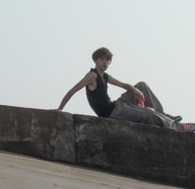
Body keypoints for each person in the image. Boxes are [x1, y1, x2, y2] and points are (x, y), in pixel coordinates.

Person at [57, 48, 185, 129]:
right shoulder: (92, 76)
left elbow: (123, 85)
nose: (105, 62)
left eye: (108, 60)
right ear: (95, 60)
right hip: (112, 113)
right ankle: (173, 125)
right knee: (148, 113)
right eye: (102, 59)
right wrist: (60, 108)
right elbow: (72, 90)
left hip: (117, 105)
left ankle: (164, 116)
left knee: (142, 85)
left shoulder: (105, 76)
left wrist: (135, 90)